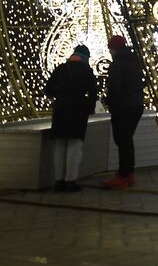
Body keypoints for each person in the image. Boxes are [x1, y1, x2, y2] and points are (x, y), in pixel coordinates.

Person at [44, 43, 98, 193]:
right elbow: (93, 92)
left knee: (60, 145)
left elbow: (48, 89)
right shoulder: (86, 71)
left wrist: (61, 94)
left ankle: (58, 181)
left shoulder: (61, 68)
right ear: (86, 57)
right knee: (74, 146)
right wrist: (90, 108)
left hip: (61, 109)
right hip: (78, 110)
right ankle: (70, 180)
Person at [101, 34, 144, 190]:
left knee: (122, 140)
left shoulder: (117, 64)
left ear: (113, 49)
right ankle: (129, 172)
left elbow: (114, 88)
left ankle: (123, 175)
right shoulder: (136, 61)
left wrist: (108, 100)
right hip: (137, 105)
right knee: (127, 140)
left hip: (123, 107)